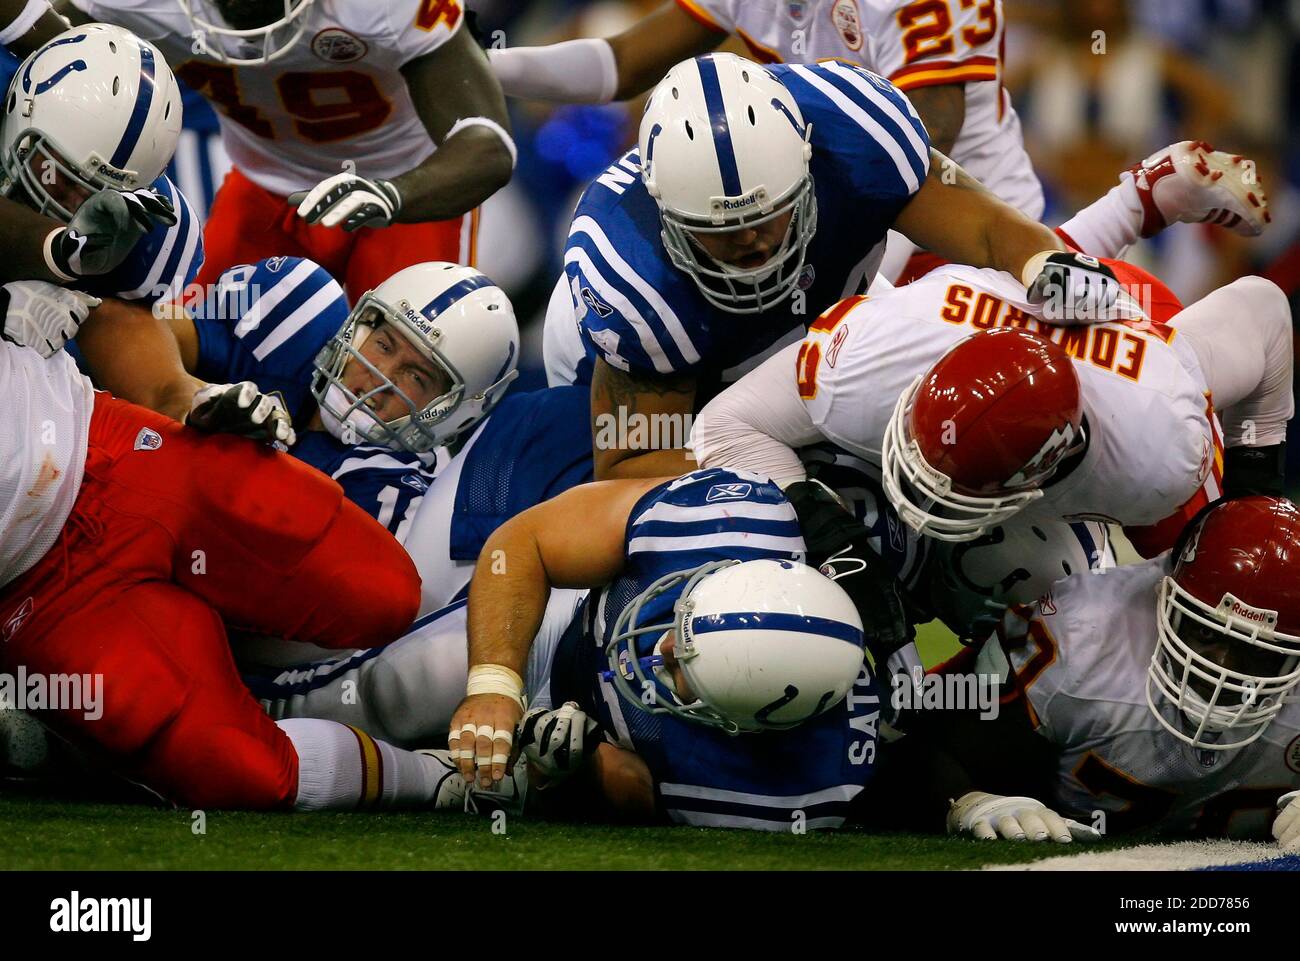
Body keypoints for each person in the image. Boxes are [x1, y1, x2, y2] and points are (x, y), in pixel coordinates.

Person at [545, 53, 1140, 481]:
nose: (752, 241)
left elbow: (985, 227)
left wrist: (1044, 262)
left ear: (807, 159)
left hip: (831, 312)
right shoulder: (629, 276)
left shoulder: (858, 133)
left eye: (770, 213)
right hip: (677, 368)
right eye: (720, 229)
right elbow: (631, 460)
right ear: (666, 210)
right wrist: (790, 480)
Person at [488, 0, 1044, 282]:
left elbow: (910, 147)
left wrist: (827, 275)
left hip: (967, 235)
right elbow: (624, 62)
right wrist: (476, 68)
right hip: (822, 218)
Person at [46, 0, 514, 298]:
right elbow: (38, 63)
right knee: (200, 341)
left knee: (402, 364)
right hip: (262, 181)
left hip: (405, 190)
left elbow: (487, 144)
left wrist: (395, 195)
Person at [923, 496, 1300, 846]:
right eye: (1204, 631)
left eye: (1259, 652)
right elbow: (938, 753)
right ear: (1165, 594)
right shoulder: (1079, 636)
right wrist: (972, 799)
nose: (1222, 668)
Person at [1, 24, 201, 303]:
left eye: (96, 192)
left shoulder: (153, 222)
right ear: (21, 108)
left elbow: (128, 329)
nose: (71, 204)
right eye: (64, 176)